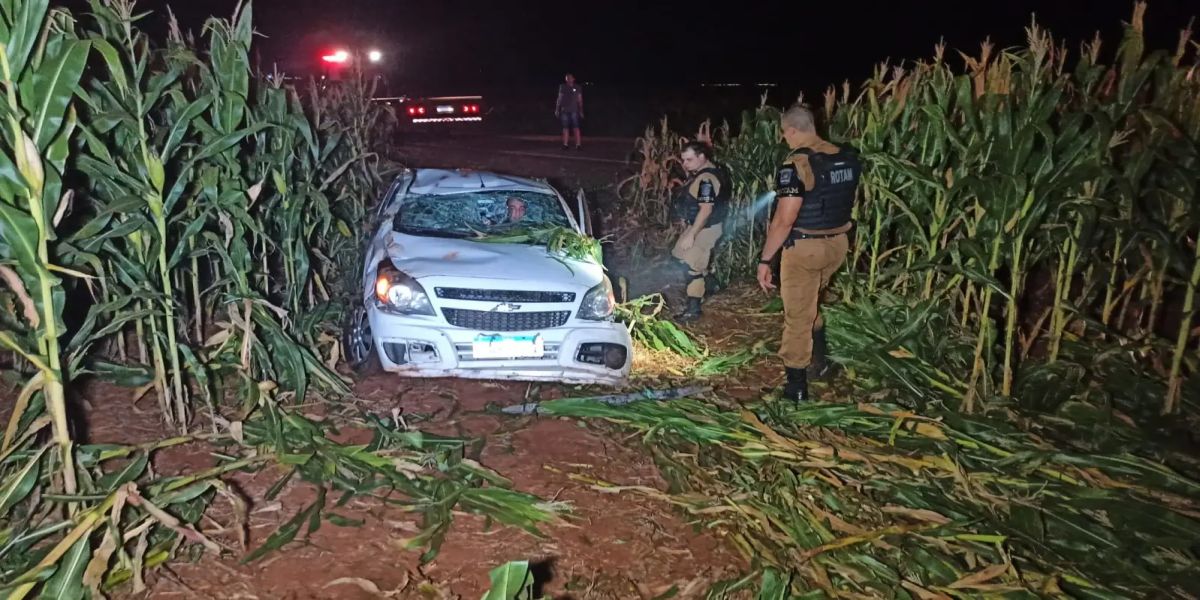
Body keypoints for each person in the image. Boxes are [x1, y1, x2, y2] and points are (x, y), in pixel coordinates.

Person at [757, 104, 861, 402]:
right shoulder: (844, 156)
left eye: (784, 134)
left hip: (805, 248)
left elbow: (784, 220)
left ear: (791, 130)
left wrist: (766, 259)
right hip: (838, 244)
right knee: (811, 301)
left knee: (798, 317)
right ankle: (822, 363)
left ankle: (796, 387)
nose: (785, 140)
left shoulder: (798, 164)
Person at [670, 141, 731, 322]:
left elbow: (706, 209)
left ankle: (693, 309)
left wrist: (691, 234)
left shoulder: (706, 179)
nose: (685, 164)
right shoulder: (712, 171)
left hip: (706, 229)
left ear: (702, 157)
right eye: (683, 160)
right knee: (677, 255)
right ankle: (711, 285)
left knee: (691, 267)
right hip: (700, 225)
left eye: (689, 160)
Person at [555, 73, 584, 150]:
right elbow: (559, 98)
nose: (568, 79)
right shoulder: (563, 87)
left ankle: (578, 145)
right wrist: (557, 109)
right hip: (564, 110)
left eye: (570, 78)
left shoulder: (577, 87)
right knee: (565, 128)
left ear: (573, 79)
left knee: (576, 127)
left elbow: (580, 99)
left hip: (574, 110)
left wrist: (581, 110)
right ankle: (565, 144)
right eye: (567, 78)